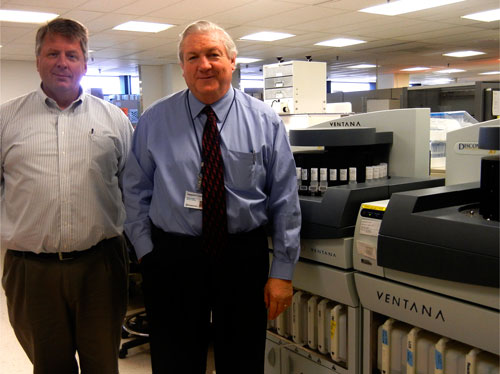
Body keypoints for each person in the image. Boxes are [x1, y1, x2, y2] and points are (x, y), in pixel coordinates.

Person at [122, 20, 301, 374]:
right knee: (175, 357)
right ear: (183, 68)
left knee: (243, 357)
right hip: (173, 255)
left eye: (212, 54)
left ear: (232, 61)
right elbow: (135, 190)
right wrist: (147, 252)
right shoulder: (155, 120)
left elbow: (284, 198)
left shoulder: (264, 121)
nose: (203, 64)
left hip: (242, 255)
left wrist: (282, 270)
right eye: (193, 57)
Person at [0, 18, 134, 373]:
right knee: (49, 365)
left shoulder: (114, 121)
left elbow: (132, 188)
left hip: (100, 266)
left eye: (72, 55)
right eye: (53, 53)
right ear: (37, 59)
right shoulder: (6, 119)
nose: (63, 62)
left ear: (85, 64)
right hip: (32, 270)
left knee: (102, 364)